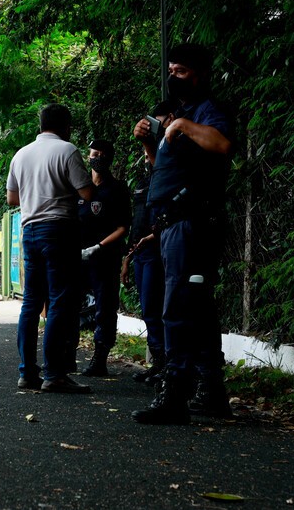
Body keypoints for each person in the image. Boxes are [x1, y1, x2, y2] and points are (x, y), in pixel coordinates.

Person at [131, 44, 234, 424]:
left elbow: (222, 144)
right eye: (171, 70)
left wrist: (183, 126)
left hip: (193, 221)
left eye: (182, 71)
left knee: (177, 307)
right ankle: (211, 391)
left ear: (200, 74)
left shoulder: (207, 111)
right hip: (173, 223)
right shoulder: (182, 114)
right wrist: (150, 140)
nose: (173, 77)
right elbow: (165, 167)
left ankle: (175, 393)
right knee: (198, 309)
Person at [6, 103, 95, 393]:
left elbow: (12, 199)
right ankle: (54, 373)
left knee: (31, 302)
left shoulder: (21, 154)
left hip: (30, 231)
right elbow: (86, 192)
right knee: (59, 301)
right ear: (66, 126)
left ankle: (26, 372)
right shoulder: (67, 150)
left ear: (41, 124)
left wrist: (36, 195)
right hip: (59, 230)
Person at [122, 101, 176, 385]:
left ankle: (168, 365)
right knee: (148, 310)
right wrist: (127, 257)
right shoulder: (144, 182)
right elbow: (137, 222)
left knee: (157, 310)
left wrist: (153, 236)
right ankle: (159, 363)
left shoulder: (167, 171)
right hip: (140, 252)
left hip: (157, 248)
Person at [78, 139, 131, 377]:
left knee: (105, 308)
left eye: (102, 154)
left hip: (105, 258)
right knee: (70, 305)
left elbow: (122, 228)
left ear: (110, 159)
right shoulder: (79, 187)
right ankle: (66, 356)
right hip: (78, 258)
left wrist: (98, 247)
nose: (97, 158)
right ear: (87, 156)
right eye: (94, 153)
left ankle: (100, 358)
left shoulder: (117, 189)